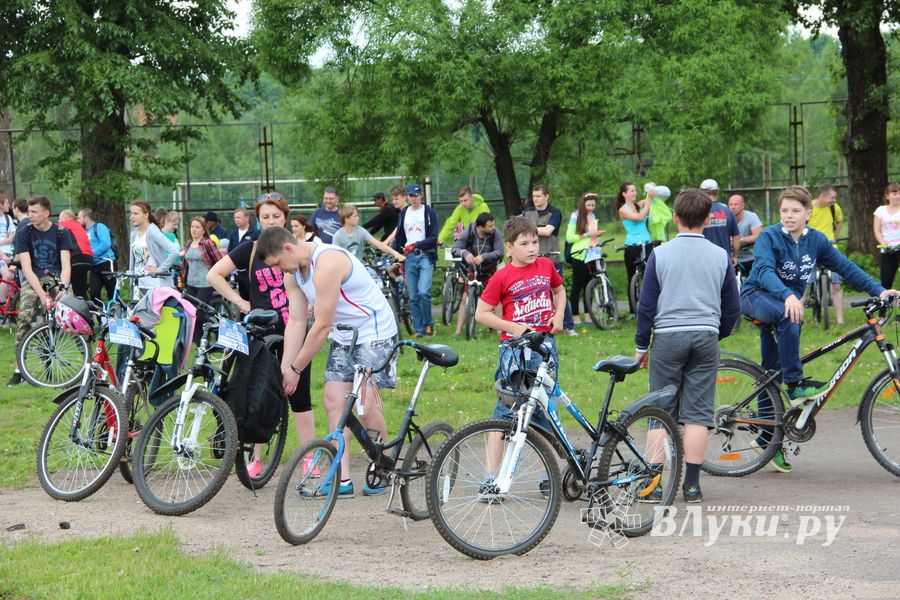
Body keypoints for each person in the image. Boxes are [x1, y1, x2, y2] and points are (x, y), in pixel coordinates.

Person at [741, 185, 898, 473]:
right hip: (757, 296)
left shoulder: (817, 241)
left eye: (795, 211)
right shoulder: (769, 237)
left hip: (787, 305)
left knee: (770, 371)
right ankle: (796, 385)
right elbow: (762, 270)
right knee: (790, 320)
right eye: (784, 211)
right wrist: (788, 295)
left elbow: (845, 266)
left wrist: (879, 290)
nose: (788, 216)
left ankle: (768, 440)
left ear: (808, 214)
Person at [257, 226, 399, 498]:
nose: (279, 271)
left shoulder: (328, 262)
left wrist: (298, 369)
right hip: (345, 335)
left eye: (278, 264)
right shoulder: (293, 276)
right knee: (334, 402)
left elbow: (320, 326)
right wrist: (286, 367)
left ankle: (383, 463)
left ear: (288, 248)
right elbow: (297, 322)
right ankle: (340, 478)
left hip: (374, 331)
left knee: (365, 406)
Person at [634, 188, 741, 503]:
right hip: (705, 336)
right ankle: (691, 486)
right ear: (708, 220)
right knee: (697, 414)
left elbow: (646, 307)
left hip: (667, 338)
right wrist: (716, 332)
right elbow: (732, 307)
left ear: (676, 218)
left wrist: (642, 346)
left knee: (660, 411)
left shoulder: (661, 254)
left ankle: (653, 485)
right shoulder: (720, 256)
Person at [207, 196, 314, 474]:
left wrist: (313, 301)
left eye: (275, 217)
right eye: (265, 217)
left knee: (299, 394)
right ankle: (255, 458)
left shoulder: (297, 250)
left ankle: (309, 457)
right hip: (260, 331)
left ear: (285, 219)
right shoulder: (251, 250)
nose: (270, 222)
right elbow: (214, 275)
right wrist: (241, 302)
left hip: (295, 326)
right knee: (257, 392)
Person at [474, 216, 566, 485]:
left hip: (544, 346)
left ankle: (546, 476)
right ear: (510, 247)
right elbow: (482, 314)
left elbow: (559, 291)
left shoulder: (546, 266)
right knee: (505, 412)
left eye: (535, 242)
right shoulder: (502, 276)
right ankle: (492, 477)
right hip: (514, 350)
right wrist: (512, 327)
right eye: (524, 243)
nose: (532, 248)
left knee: (546, 409)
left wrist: (558, 315)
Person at [9, 196, 73, 386]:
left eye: (35, 212)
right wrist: (41, 293)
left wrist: (64, 286)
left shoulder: (61, 232)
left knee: (73, 314)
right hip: (33, 278)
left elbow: (66, 264)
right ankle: (19, 368)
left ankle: (83, 364)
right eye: (29, 212)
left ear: (46, 213)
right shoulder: (24, 232)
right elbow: (27, 268)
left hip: (55, 277)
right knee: (25, 317)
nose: (31, 215)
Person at [523, 184, 577, 336]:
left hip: (551, 259)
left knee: (557, 292)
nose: (535, 199)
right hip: (532, 259)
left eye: (538, 196)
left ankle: (568, 325)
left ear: (547, 196)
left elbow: (548, 231)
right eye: (534, 196)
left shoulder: (555, 212)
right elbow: (518, 229)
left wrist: (528, 228)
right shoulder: (527, 212)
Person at [391, 183, 438, 337]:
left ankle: (428, 324)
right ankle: (419, 330)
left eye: (416, 195)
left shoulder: (428, 212)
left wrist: (416, 245)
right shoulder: (404, 213)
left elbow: (433, 237)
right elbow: (400, 236)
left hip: (425, 255)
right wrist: (398, 252)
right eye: (411, 195)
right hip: (409, 257)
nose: (414, 198)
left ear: (421, 196)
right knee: (413, 296)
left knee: (424, 291)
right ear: (408, 197)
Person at [451, 212, 503, 337]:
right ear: (480, 227)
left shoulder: (495, 233)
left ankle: (500, 331)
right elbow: (455, 249)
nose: (493, 228)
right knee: (465, 297)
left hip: (489, 268)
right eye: (490, 226)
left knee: (496, 299)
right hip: (472, 269)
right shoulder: (468, 232)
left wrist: (484, 257)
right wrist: (465, 253)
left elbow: (500, 252)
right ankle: (458, 331)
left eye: (493, 225)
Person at [565, 192, 606, 327]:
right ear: (582, 204)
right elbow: (570, 237)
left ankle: (588, 316)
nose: (590, 208)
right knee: (577, 286)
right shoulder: (575, 216)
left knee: (590, 284)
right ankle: (576, 317)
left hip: (592, 253)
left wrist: (596, 235)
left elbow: (592, 236)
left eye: (593, 205)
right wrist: (587, 234)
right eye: (588, 205)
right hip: (580, 254)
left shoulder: (593, 216)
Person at [807, 184, 846, 326]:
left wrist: (834, 236)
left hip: (830, 247)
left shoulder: (834, 208)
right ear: (822, 196)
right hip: (811, 248)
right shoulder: (809, 208)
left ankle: (839, 319)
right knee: (806, 283)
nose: (834, 200)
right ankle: (798, 312)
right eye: (832, 197)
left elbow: (839, 220)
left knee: (836, 285)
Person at [128, 201, 179, 300]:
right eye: (131, 213)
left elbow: (174, 251)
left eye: (135, 213)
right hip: (138, 285)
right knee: (136, 314)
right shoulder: (133, 232)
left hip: (155, 284)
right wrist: (131, 279)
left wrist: (160, 270)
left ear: (146, 215)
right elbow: (133, 260)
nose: (131, 217)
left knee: (155, 315)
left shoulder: (153, 231)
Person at [180, 216, 220, 342]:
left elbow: (219, 261)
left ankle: (218, 329)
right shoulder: (188, 244)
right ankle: (199, 341)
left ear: (203, 230)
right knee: (192, 313)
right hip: (190, 283)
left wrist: (217, 276)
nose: (194, 230)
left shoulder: (207, 243)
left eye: (198, 227)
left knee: (200, 313)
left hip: (205, 284)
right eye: (192, 227)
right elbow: (186, 264)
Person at [617, 182, 652, 317]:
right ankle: (633, 311)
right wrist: (648, 200)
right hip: (632, 246)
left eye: (635, 190)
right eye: (631, 191)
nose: (634, 193)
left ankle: (651, 307)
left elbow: (652, 195)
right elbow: (639, 217)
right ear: (624, 194)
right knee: (631, 277)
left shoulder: (639, 204)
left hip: (647, 243)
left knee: (650, 276)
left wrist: (650, 190)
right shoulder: (623, 209)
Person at [332, 205, 406, 263]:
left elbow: (380, 245)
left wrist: (395, 253)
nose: (358, 217)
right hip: (344, 269)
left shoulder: (361, 231)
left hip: (359, 267)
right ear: (346, 219)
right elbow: (335, 257)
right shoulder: (338, 236)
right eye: (355, 216)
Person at [77, 208, 116, 304]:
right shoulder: (84, 232)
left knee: (112, 292)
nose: (78, 221)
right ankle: (100, 317)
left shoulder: (99, 227)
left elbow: (106, 243)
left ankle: (116, 314)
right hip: (94, 266)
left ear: (85, 218)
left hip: (106, 263)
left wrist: (91, 254)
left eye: (79, 218)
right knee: (93, 292)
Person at [699, 179, 740, 265]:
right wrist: (735, 257)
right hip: (724, 260)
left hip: (704, 259)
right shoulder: (727, 211)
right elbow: (736, 237)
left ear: (702, 192)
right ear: (717, 192)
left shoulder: (699, 211)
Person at [57, 209, 94, 299]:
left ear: (65, 218)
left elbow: (50, 229)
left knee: (76, 290)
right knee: (81, 288)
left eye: (60, 219)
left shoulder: (65, 224)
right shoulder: (78, 226)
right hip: (88, 258)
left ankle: (80, 309)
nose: (59, 221)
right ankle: (87, 307)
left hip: (76, 257)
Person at [728, 194, 764, 277]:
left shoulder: (751, 216)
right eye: (731, 204)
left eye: (736, 204)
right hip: (729, 252)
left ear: (742, 206)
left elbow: (758, 235)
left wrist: (740, 240)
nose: (733, 207)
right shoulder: (724, 217)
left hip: (749, 252)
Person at [873, 183, 900, 288]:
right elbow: (876, 229)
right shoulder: (880, 210)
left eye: (899, 193)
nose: (898, 196)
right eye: (894, 193)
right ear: (887, 196)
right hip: (888, 249)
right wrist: (884, 244)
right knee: (886, 281)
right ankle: (886, 302)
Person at [0, 196, 17, 307]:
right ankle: (1, 302)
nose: (8, 205)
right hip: (1, 255)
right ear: (0, 204)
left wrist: (1, 242)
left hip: (8, 253)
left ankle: (7, 304)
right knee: (7, 275)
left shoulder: (8, 218)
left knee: (12, 278)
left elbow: (11, 238)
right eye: (6, 203)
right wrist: (2, 255)